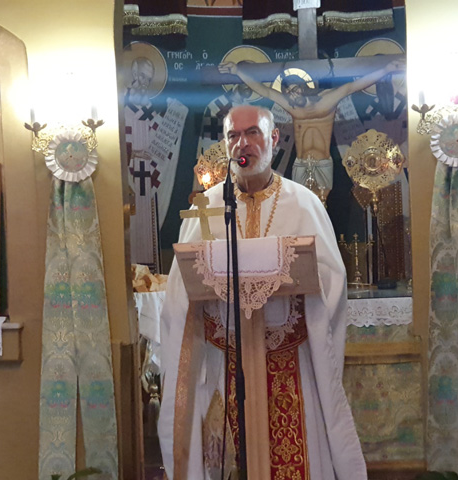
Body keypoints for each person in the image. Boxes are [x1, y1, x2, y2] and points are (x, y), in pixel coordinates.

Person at [159, 104, 366, 479]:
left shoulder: (302, 203)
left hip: (290, 362)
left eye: (252, 132)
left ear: (273, 139)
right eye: (234, 135)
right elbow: (179, 294)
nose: (243, 143)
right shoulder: (208, 206)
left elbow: (331, 281)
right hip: (225, 364)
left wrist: (294, 283)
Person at [218, 59, 404, 196]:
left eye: (295, 90)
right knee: (301, 206)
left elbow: (353, 86)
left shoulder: (326, 101)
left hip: (323, 162)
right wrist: (238, 71)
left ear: (303, 87)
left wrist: (386, 69)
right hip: (301, 163)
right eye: (288, 92)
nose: (292, 95)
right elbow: (264, 90)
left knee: (321, 206)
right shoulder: (291, 106)